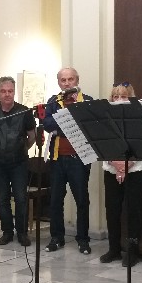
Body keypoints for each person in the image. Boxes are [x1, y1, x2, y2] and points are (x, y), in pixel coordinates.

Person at [42, 67, 95, 254]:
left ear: (77, 80)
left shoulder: (87, 101)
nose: (66, 83)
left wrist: (61, 124)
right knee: (55, 200)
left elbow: (88, 126)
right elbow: (46, 124)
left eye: (70, 79)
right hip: (57, 159)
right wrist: (69, 121)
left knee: (82, 200)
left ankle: (83, 240)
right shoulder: (53, 101)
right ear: (59, 82)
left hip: (79, 159)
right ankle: (57, 238)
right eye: (63, 80)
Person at [0, 76, 36, 247]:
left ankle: (22, 233)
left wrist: (22, 148)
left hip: (19, 163)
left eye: (10, 91)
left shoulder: (25, 111)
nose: (7, 94)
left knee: (20, 198)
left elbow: (32, 135)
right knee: (2, 199)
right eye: (3, 91)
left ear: (14, 92)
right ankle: (7, 232)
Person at [100, 82, 142, 267]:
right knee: (112, 210)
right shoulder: (105, 118)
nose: (119, 100)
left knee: (134, 210)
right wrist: (117, 164)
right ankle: (114, 249)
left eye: (124, 96)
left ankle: (132, 251)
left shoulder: (140, 117)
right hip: (111, 168)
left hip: (136, 169)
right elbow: (102, 143)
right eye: (116, 96)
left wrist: (127, 165)